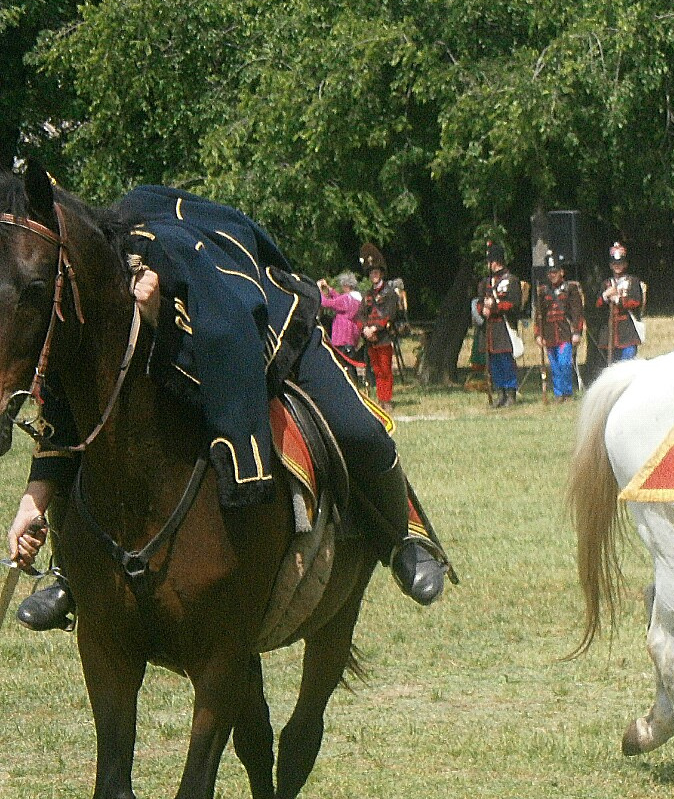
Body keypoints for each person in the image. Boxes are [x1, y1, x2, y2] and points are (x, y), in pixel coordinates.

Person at [11, 186, 452, 632]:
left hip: (273, 327)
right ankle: (69, 571)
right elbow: (84, 402)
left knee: (358, 429)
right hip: (175, 329)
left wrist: (162, 315)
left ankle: (403, 539)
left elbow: (226, 345)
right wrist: (34, 500)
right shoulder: (109, 271)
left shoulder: (204, 251)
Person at [534, 252, 585, 401]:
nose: (552, 275)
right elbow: (539, 315)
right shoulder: (543, 291)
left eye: (555, 272)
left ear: (561, 272)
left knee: (564, 364)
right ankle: (558, 394)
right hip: (549, 334)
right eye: (550, 272)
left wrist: (577, 332)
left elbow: (577, 312)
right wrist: (538, 334)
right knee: (555, 367)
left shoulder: (570, 289)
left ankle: (567, 392)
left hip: (565, 333)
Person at [477, 240, 522, 407]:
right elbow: (479, 301)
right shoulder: (485, 282)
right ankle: (500, 392)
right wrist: (483, 310)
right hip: (489, 328)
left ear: (495, 261)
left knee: (505, 360)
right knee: (494, 362)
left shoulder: (511, 280)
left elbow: (513, 304)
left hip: (503, 326)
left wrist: (494, 307)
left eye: (490, 261)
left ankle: (510, 393)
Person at [357, 244, 399, 412]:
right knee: (376, 370)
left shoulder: (389, 293)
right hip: (370, 339)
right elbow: (361, 314)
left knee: (385, 370)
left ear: (381, 273)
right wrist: (364, 330)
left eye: (376, 272)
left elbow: (388, 314)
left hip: (383, 337)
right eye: (371, 273)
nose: (374, 275)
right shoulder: (368, 294)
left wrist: (374, 329)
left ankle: (386, 400)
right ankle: (380, 398)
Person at [597, 241, 645, 362]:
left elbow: (636, 302)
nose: (617, 266)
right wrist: (605, 296)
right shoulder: (606, 284)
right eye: (614, 263)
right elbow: (598, 304)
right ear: (610, 265)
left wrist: (618, 299)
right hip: (609, 334)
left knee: (627, 366)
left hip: (627, 331)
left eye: (620, 263)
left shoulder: (632, 281)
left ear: (625, 264)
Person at [318, 271, 364, 386]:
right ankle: (353, 384)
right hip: (351, 336)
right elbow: (338, 299)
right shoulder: (356, 299)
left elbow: (327, 303)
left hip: (342, 337)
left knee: (344, 365)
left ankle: (349, 385)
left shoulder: (347, 300)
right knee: (349, 364)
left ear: (346, 285)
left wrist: (318, 291)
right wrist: (328, 289)